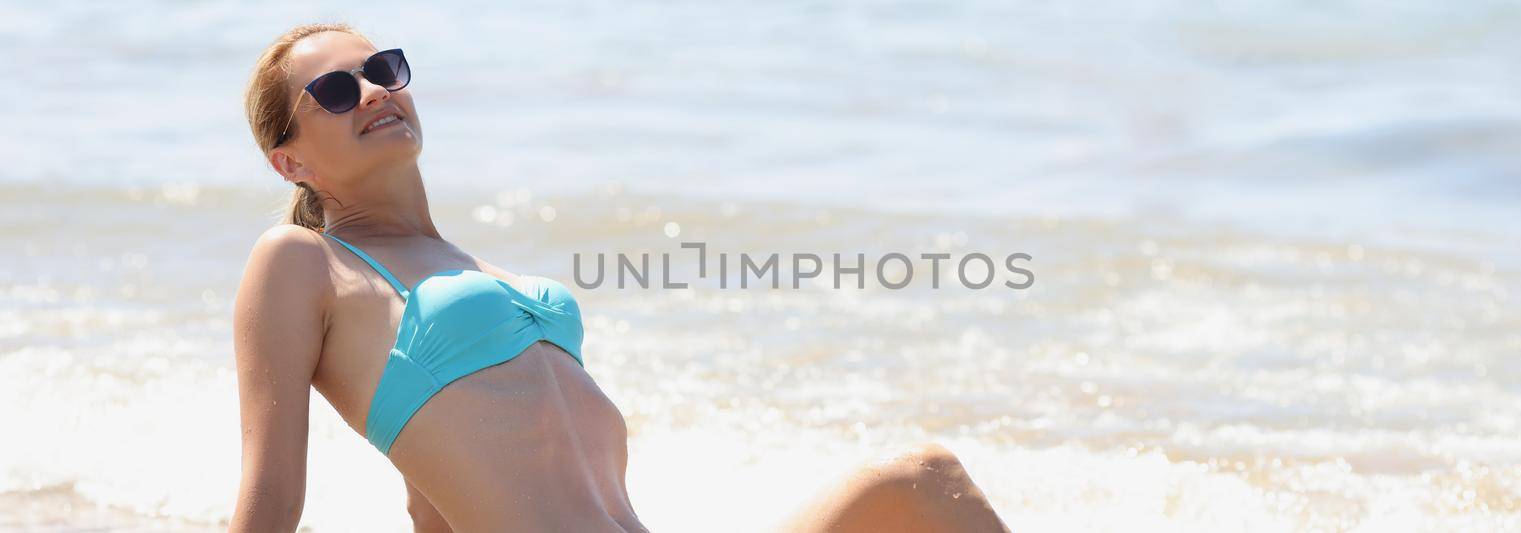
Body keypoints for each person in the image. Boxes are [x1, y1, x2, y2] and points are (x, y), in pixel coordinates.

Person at [229, 23, 1011, 533]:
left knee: (922, 482)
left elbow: (445, 487)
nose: (373, 90)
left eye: (382, 68)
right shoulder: (303, 262)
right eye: (335, 91)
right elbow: (270, 501)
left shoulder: (485, 275)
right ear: (289, 161)